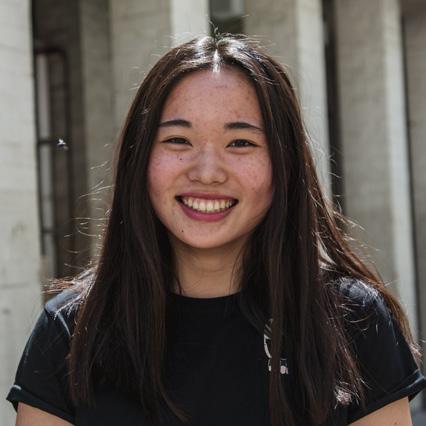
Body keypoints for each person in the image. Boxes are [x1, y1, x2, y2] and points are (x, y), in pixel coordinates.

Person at [7, 34, 426, 426]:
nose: (206, 172)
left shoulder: (353, 322)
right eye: (178, 140)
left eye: (241, 143)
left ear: (284, 165)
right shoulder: (70, 332)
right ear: (140, 159)